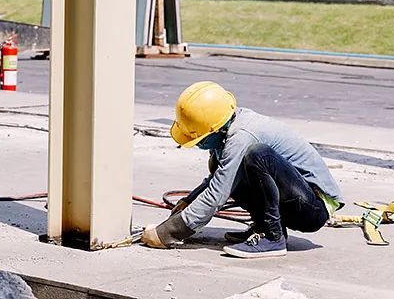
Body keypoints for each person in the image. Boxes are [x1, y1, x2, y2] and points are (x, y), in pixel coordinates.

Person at [141, 81, 344, 258]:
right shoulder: (230, 123)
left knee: (258, 155)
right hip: (298, 199)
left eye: (199, 139)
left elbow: (217, 194)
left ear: (216, 128)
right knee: (223, 167)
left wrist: (166, 233)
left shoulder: (243, 135)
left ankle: (272, 237)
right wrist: (189, 201)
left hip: (313, 208)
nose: (196, 144)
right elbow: (219, 178)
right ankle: (264, 226)